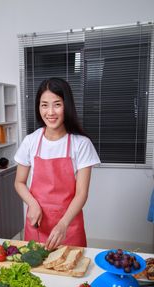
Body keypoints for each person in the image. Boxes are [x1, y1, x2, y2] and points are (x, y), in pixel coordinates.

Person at [14, 77, 100, 250]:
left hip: (68, 225)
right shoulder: (30, 141)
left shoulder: (81, 144)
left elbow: (81, 193)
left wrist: (63, 224)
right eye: (44, 105)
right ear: (38, 108)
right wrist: (32, 204)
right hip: (37, 224)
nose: (50, 112)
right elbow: (19, 182)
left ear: (67, 106)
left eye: (57, 104)